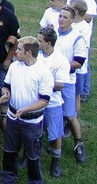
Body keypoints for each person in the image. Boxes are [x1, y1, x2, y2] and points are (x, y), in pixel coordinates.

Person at [0, 36, 54, 184]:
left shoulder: (43, 73)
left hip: (32, 122)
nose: (15, 52)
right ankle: (8, 178)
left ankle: (35, 180)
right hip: (13, 117)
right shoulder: (14, 67)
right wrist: (6, 93)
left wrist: (25, 110)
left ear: (28, 52)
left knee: (32, 155)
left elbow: (44, 100)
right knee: (9, 150)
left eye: (19, 49)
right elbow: (6, 85)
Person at [55, 7, 87, 164]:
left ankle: (79, 143)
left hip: (67, 81)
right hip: (51, 81)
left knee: (69, 114)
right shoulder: (53, 33)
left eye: (65, 17)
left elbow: (79, 63)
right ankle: (54, 141)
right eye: (60, 16)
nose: (61, 19)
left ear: (72, 20)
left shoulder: (77, 38)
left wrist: (59, 66)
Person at [37, 27, 70, 178]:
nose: (37, 43)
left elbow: (60, 84)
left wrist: (41, 82)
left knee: (56, 134)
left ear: (48, 43)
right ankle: (28, 156)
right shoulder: (36, 55)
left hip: (52, 103)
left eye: (39, 41)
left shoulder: (61, 61)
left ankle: (55, 161)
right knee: (32, 130)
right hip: (35, 101)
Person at [67, 0, 97, 102]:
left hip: (83, 36)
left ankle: (84, 90)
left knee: (84, 64)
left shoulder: (89, 0)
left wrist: (76, 13)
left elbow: (89, 17)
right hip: (69, 33)